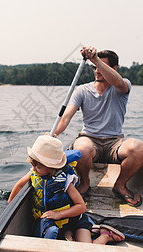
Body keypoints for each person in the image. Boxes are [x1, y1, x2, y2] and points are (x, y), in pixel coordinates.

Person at [53, 46, 143, 207]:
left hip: (115, 143)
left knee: (139, 148)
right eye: (94, 67)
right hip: (89, 140)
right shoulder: (82, 91)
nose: (96, 70)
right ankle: (85, 183)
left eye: (101, 66)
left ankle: (120, 185)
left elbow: (117, 81)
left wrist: (94, 59)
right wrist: (54, 134)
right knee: (81, 148)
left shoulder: (122, 86)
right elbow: (66, 117)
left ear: (114, 68)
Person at [8, 135, 125, 244]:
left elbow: (81, 206)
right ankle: (70, 235)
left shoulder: (66, 181)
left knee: (86, 248)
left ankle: (105, 236)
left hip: (75, 220)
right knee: (65, 239)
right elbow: (19, 186)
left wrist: (59, 214)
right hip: (54, 223)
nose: (33, 169)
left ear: (51, 167)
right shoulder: (34, 174)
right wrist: (10, 204)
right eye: (33, 165)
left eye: (37, 166)